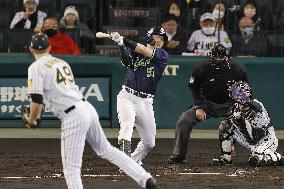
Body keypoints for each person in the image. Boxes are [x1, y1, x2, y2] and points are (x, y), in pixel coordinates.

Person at [23, 32, 158, 189]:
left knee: (71, 169)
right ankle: (146, 179)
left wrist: (31, 120)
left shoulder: (35, 67)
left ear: (31, 49)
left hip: (72, 115)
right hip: (87, 108)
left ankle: (145, 179)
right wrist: (35, 113)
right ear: (50, 47)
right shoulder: (60, 62)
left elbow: (37, 100)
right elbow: (51, 95)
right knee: (106, 149)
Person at [168, 44, 248, 164]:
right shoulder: (202, 67)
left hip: (230, 104)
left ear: (226, 57)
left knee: (247, 120)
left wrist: (239, 106)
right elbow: (193, 87)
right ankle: (178, 155)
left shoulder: (236, 68)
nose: (218, 60)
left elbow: (244, 88)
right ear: (211, 56)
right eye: (216, 58)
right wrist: (199, 106)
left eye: (221, 58)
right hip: (207, 104)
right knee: (184, 120)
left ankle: (251, 152)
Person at [108, 27, 169, 166]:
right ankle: (124, 162)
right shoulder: (135, 52)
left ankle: (133, 161)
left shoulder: (163, 55)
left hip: (146, 101)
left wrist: (124, 40)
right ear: (149, 37)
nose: (159, 40)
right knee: (127, 125)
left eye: (162, 38)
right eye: (156, 37)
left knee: (149, 143)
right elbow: (127, 62)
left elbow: (143, 50)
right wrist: (121, 44)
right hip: (127, 96)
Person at [210, 81, 284, 166]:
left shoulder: (256, 106)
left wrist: (240, 117)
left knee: (256, 160)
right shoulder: (236, 107)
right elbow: (235, 128)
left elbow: (253, 136)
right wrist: (232, 144)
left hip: (266, 139)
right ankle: (226, 158)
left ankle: (278, 157)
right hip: (251, 139)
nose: (241, 98)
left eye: (242, 94)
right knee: (225, 125)